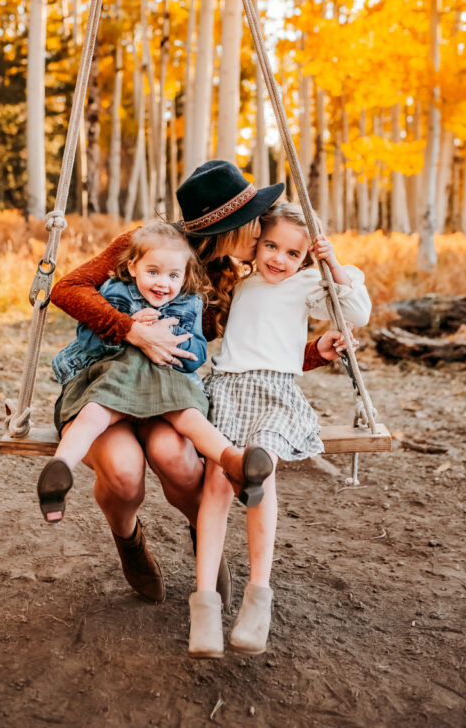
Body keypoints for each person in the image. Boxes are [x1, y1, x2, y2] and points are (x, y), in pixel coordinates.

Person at [49, 160, 352, 605]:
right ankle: (129, 540)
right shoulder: (149, 246)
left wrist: (315, 354)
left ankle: (204, 542)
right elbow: (67, 289)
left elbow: (248, 349)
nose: (261, 231)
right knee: (125, 473)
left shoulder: (232, 274)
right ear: (228, 227)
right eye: (254, 226)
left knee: (177, 458)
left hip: (169, 391)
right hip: (108, 380)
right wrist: (131, 329)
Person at [188, 201, 372, 658]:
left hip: (275, 391)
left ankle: (258, 597)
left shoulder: (309, 283)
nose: (279, 259)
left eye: (293, 253)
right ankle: (205, 604)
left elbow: (358, 311)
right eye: (270, 246)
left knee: (261, 472)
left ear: (305, 258)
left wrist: (331, 262)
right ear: (256, 244)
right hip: (228, 388)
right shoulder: (239, 279)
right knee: (216, 481)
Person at [38, 221, 271, 522]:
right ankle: (60, 471)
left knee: (189, 416)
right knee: (94, 412)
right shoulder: (116, 292)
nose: (163, 283)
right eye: (153, 272)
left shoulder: (189, 302)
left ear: (185, 275)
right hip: (117, 376)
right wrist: (128, 325)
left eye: (173, 275)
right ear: (133, 267)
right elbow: (87, 337)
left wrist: (178, 348)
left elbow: (198, 352)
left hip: (167, 380)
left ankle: (235, 462)